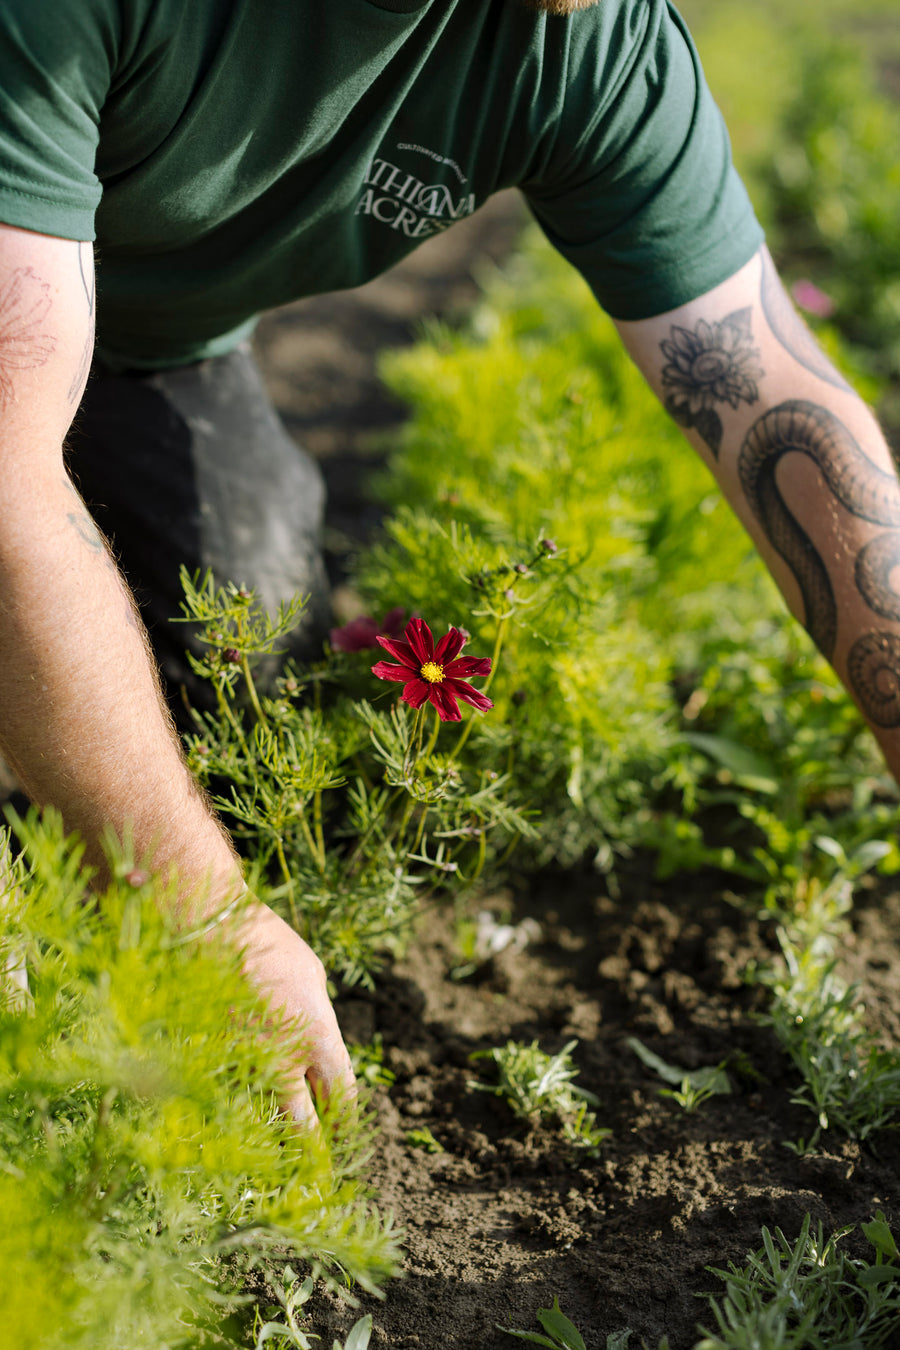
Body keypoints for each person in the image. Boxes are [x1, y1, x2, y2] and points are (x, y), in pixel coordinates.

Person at [1, 0, 898, 1131]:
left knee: (245, 675)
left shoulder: (586, 39)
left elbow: (772, 395)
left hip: (143, 347)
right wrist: (194, 911)